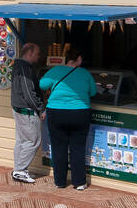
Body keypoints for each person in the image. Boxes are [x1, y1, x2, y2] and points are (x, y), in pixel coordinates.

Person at [39, 46, 98, 189]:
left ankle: (60, 182)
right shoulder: (85, 73)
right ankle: (79, 183)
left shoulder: (56, 70)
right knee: (78, 148)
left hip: (56, 112)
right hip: (80, 113)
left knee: (59, 148)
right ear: (78, 59)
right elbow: (93, 92)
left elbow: (42, 84)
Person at [9, 42, 47, 183]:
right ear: (29, 53)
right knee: (32, 141)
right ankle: (20, 170)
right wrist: (41, 108)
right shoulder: (25, 68)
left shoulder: (17, 65)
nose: (38, 57)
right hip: (27, 111)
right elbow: (29, 93)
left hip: (18, 109)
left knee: (21, 141)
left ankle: (18, 169)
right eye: (37, 54)